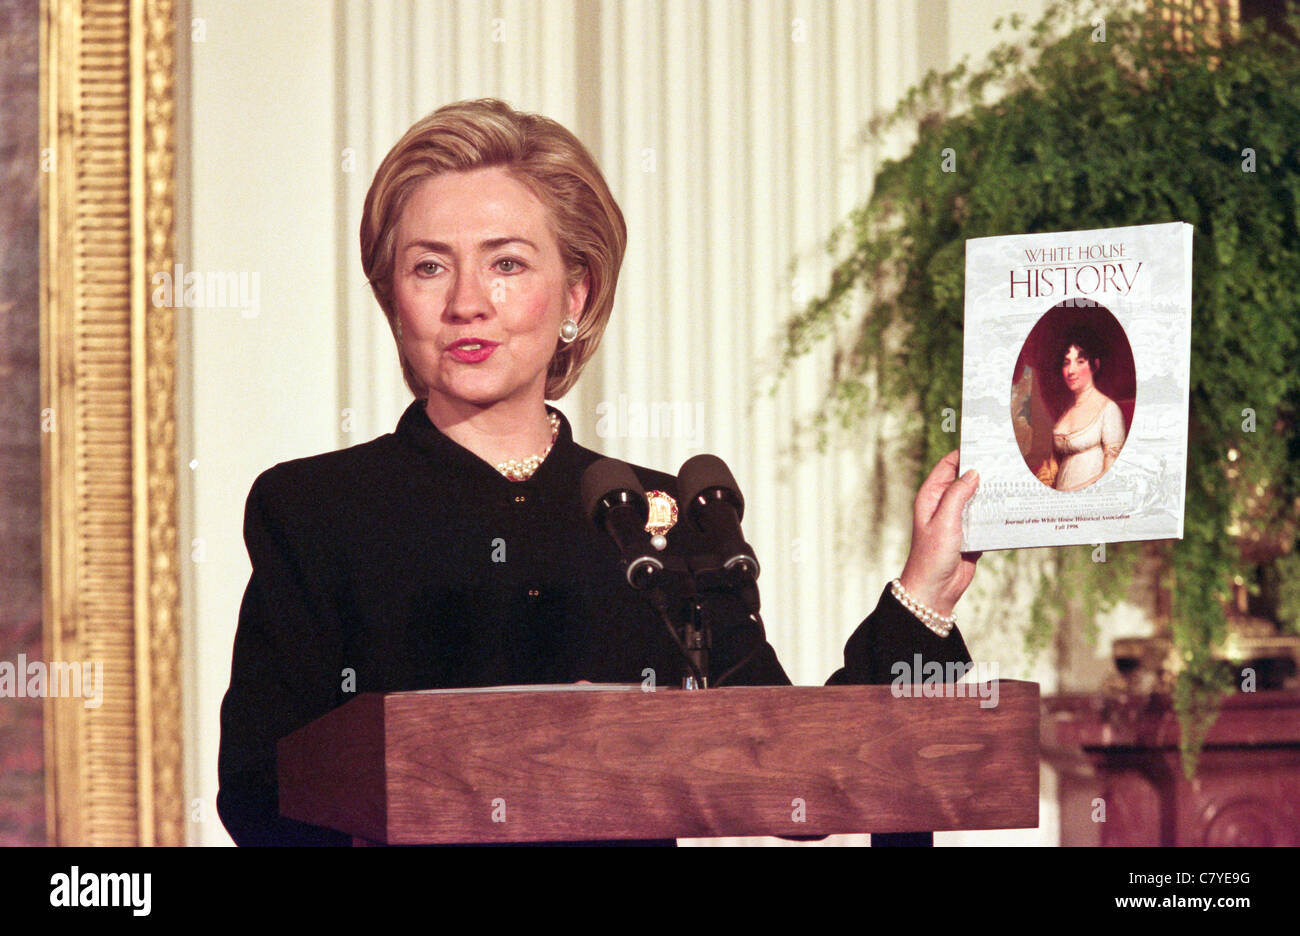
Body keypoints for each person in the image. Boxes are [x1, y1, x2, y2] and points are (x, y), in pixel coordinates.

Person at [216, 98, 983, 846]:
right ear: (394, 300)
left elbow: (797, 775)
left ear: (574, 295)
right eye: (428, 268)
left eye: (507, 263)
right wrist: (507, 757)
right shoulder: (315, 508)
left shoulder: (655, 515)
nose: (467, 302)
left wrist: (926, 589)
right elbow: (259, 794)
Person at [1037, 328, 1126, 491]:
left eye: (1080, 362)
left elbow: (1111, 475)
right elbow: (1053, 466)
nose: (1071, 371)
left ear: (1095, 364)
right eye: (1066, 362)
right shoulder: (1064, 413)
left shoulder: (1109, 410)